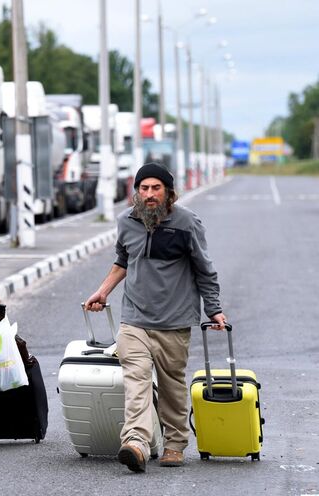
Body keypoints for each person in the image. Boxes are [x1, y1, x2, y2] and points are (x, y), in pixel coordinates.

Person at [84, 162, 227, 473]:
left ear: (169, 193)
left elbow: (205, 269)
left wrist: (213, 308)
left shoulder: (187, 223)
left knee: (172, 384)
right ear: (136, 192)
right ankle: (136, 441)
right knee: (135, 380)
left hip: (174, 321)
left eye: (155, 188)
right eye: (143, 188)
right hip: (134, 318)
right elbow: (122, 260)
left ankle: (175, 443)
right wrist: (103, 291)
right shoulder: (126, 221)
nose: (149, 194)